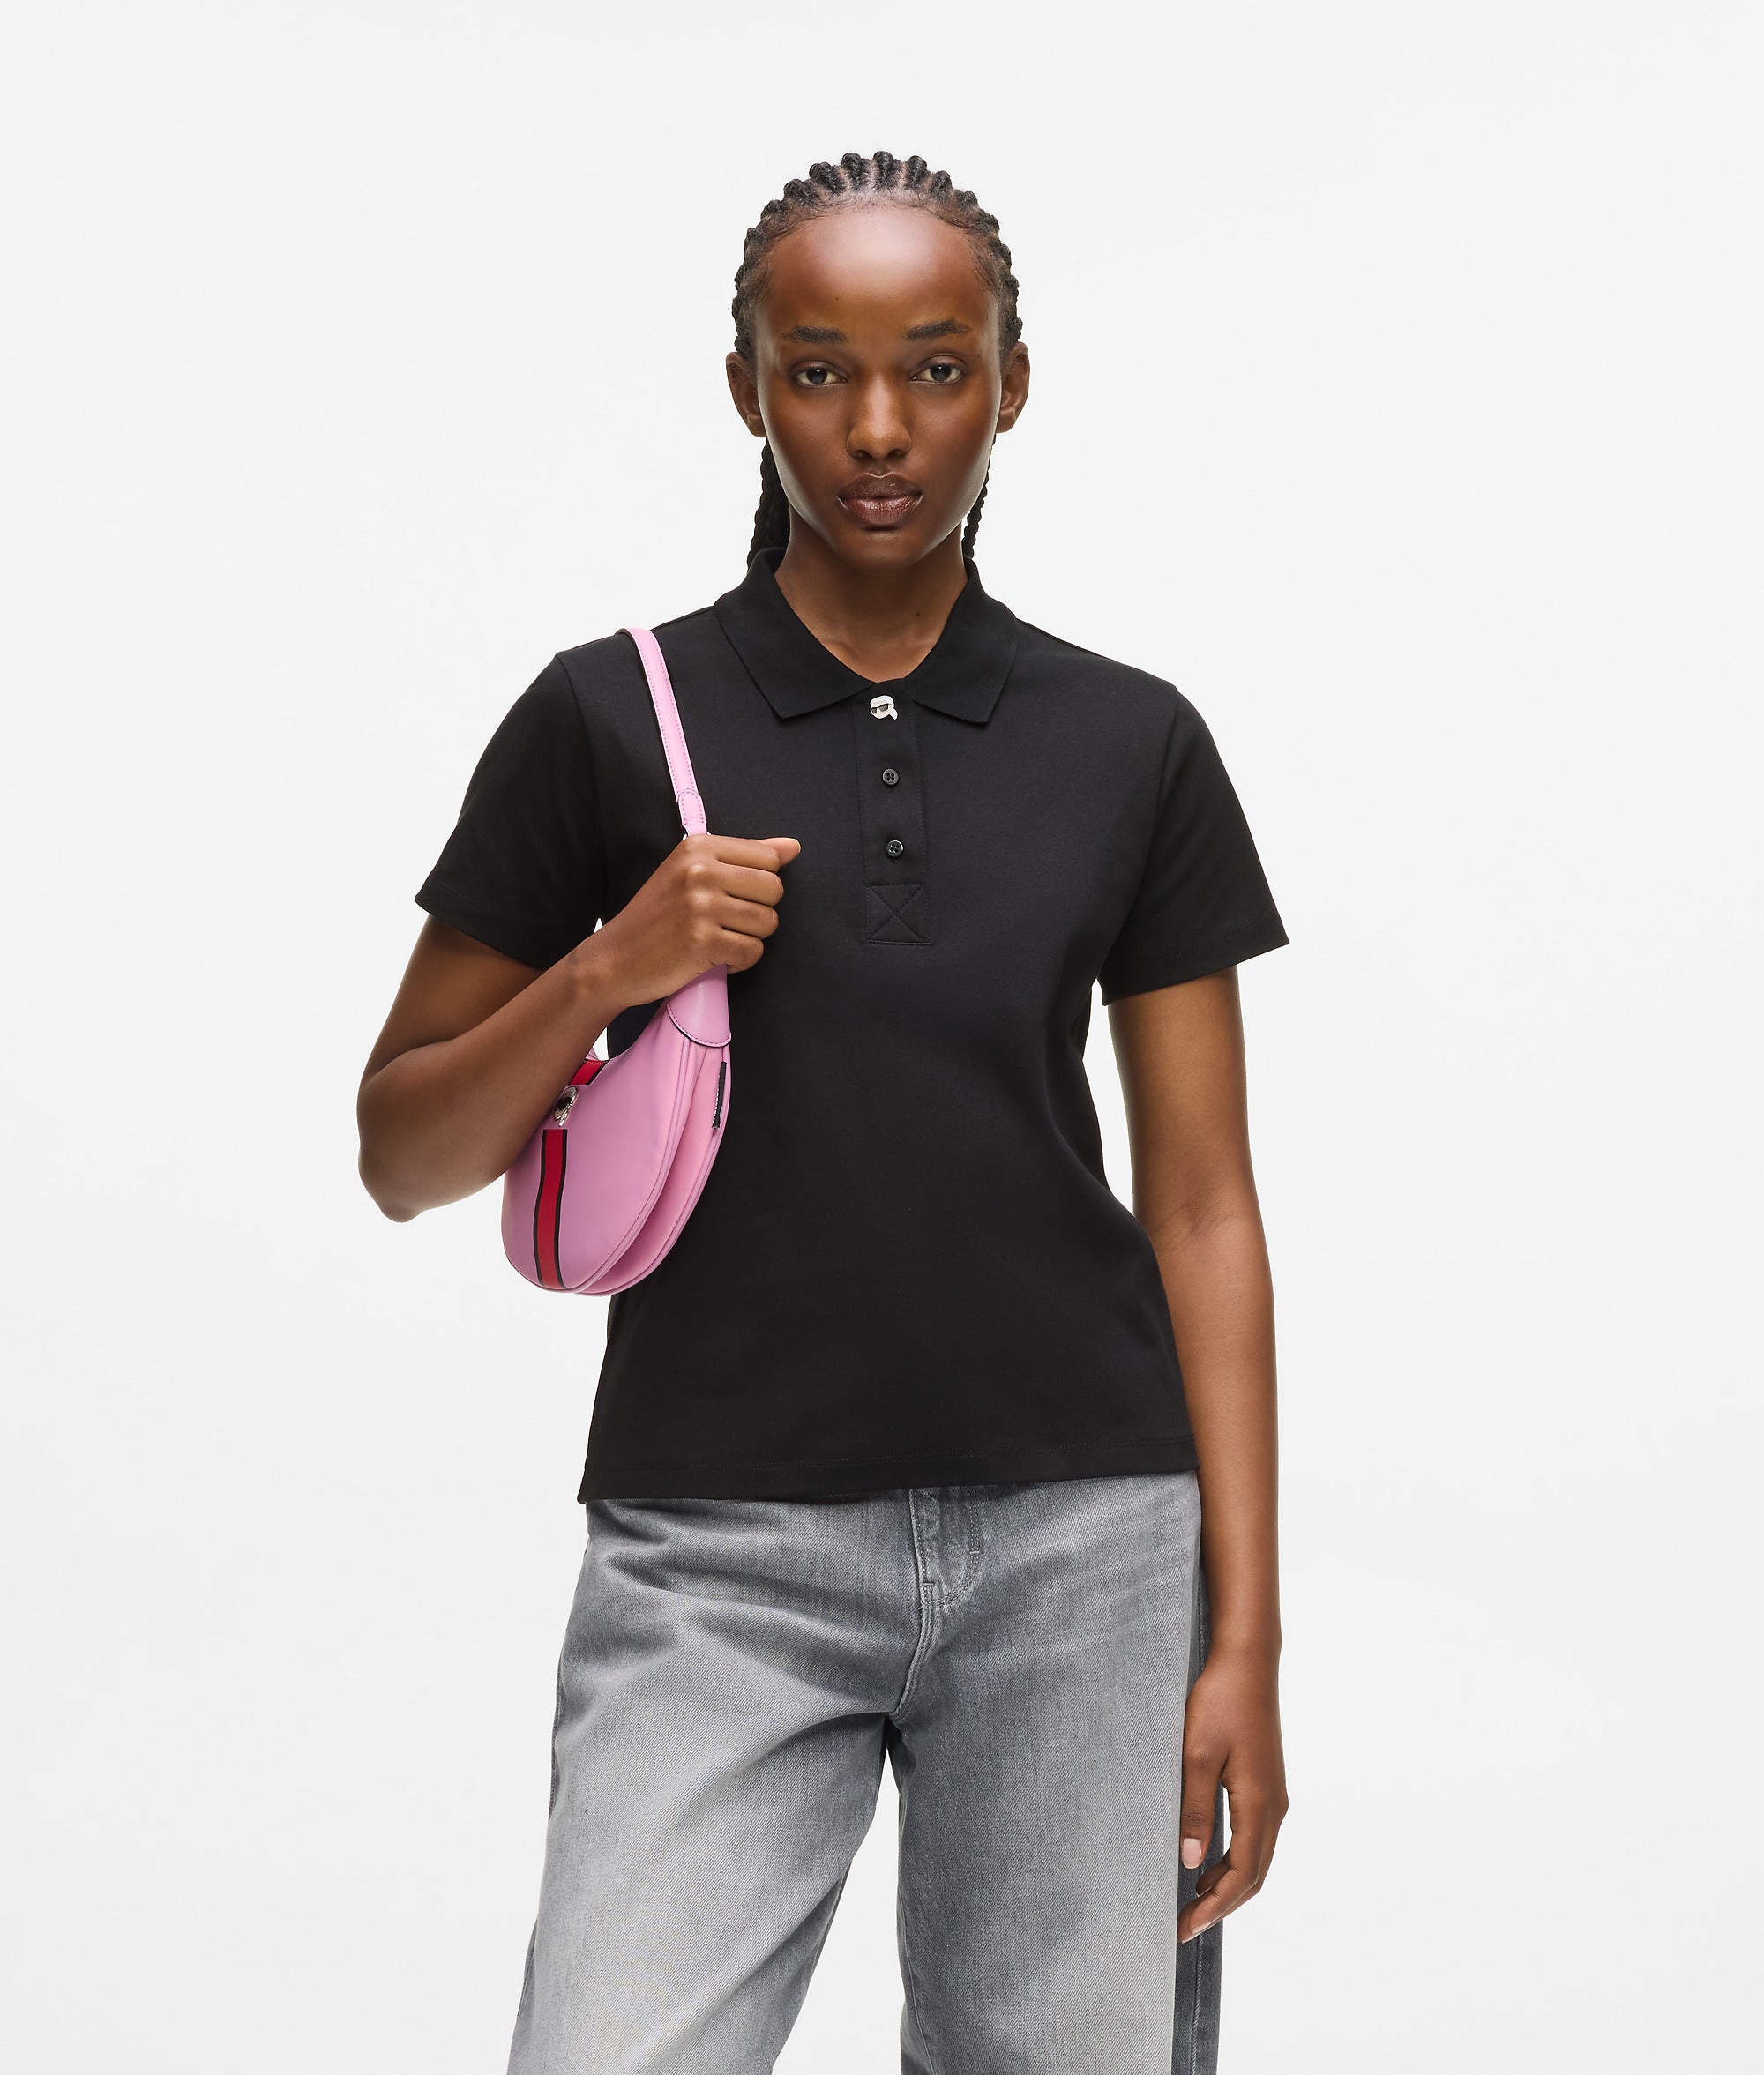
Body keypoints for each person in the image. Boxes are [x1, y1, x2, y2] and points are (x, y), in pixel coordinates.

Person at [358, 150, 1289, 2075]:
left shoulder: (1133, 740)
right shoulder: (605, 716)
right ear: (745, 388)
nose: (878, 429)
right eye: (818, 371)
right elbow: (402, 1151)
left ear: (1012, 384)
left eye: (936, 368)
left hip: (1085, 1546)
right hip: (717, 1548)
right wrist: (609, 967)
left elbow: (1203, 1205)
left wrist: (1245, 1640)